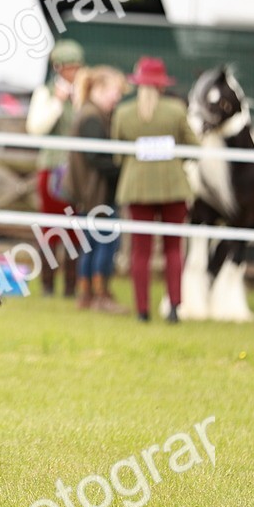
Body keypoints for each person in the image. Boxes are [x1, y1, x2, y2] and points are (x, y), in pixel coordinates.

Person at [111, 57, 199, 322]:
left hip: (137, 188)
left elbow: (117, 154)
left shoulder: (124, 113)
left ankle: (142, 310)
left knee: (141, 251)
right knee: (174, 248)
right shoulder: (175, 110)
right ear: (162, 85)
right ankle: (174, 307)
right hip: (173, 187)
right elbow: (193, 147)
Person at [65, 66, 129, 314]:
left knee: (91, 244)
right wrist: (124, 167)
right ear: (99, 89)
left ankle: (88, 293)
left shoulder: (90, 113)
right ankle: (99, 294)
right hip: (96, 195)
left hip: (91, 195)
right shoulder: (92, 116)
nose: (118, 97)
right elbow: (96, 157)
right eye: (115, 91)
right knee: (104, 243)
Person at [25, 38, 86, 297]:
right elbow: (35, 129)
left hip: (77, 170)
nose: (75, 72)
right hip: (52, 169)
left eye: (77, 67)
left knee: (74, 229)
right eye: (70, 67)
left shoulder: (84, 93)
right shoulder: (46, 93)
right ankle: (48, 285)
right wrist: (58, 103)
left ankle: (71, 286)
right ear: (59, 68)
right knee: (50, 228)